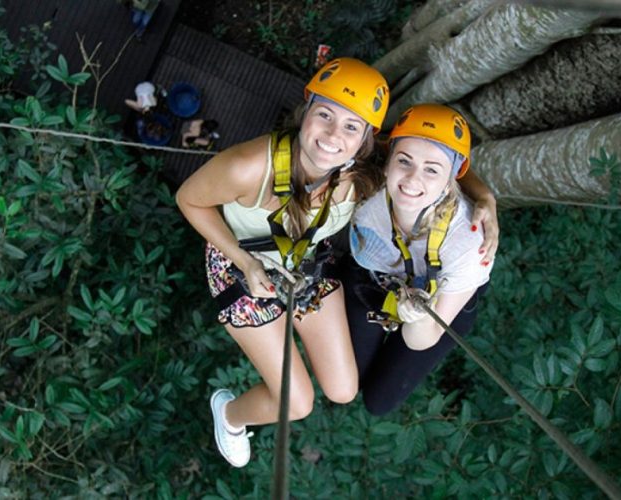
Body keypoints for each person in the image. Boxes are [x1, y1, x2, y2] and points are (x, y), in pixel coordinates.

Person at [176, 58, 391, 468]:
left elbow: (431, 167)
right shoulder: (247, 167)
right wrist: (245, 261)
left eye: (351, 126)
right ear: (306, 111)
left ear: (365, 139)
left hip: (304, 267)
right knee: (297, 403)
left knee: (344, 389)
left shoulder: (361, 173)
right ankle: (229, 414)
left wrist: (483, 198)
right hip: (241, 269)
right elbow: (189, 199)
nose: (333, 135)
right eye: (325, 114)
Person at [341, 104, 495, 416]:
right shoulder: (366, 190)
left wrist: (418, 315)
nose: (412, 179)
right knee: (347, 380)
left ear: (450, 180)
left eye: (432, 170)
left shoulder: (468, 245)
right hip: (374, 281)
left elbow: (421, 339)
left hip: (440, 308)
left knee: (378, 402)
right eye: (404, 162)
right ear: (387, 164)